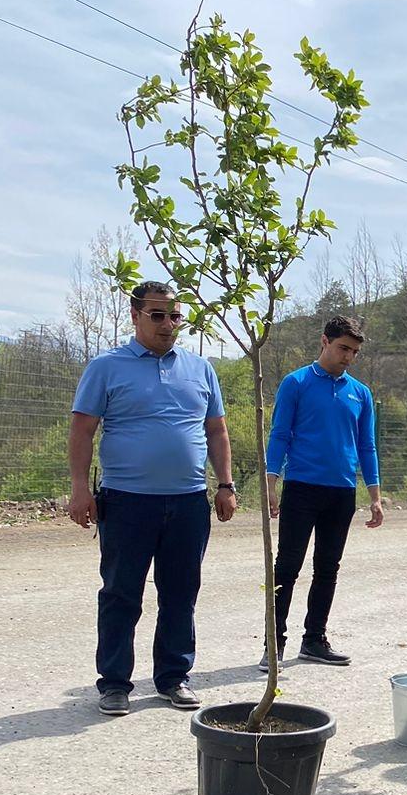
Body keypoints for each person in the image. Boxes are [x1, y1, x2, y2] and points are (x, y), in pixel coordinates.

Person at [68, 280, 236, 715]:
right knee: (121, 593)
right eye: (157, 315)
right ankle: (114, 683)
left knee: (180, 593)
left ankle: (174, 677)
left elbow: (216, 430)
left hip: (188, 502)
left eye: (175, 316)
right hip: (127, 502)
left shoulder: (200, 369)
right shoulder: (106, 366)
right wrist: (80, 489)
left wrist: (225, 484)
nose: (168, 324)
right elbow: (82, 429)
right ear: (135, 316)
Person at [262, 315, 382, 669]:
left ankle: (314, 640)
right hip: (301, 487)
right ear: (324, 341)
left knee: (328, 568)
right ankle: (273, 644)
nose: (349, 357)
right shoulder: (296, 383)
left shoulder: (361, 393)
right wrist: (271, 483)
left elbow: (367, 446)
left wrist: (375, 496)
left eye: (355, 352)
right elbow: (279, 434)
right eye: (344, 348)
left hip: (342, 491)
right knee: (287, 567)